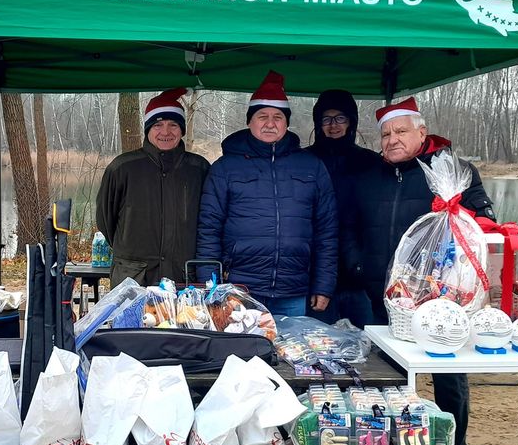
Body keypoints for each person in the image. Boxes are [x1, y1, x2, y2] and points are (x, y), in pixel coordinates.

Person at [340, 96, 495, 445]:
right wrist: (359, 266)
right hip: (387, 296)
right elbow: (349, 227)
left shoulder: (453, 172)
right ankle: (390, 444)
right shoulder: (368, 178)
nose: (392, 139)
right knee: (387, 374)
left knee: (449, 379)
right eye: (386, 134)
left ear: (421, 132)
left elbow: (480, 225)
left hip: (442, 298)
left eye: (401, 131)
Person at [196, 71, 337, 317]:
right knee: (239, 355)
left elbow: (327, 230)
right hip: (238, 290)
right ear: (250, 121)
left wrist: (323, 285)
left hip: (293, 291)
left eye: (277, 117)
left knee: (291, 354)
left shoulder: (312, 167)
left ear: (286, 122)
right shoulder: (225, 168)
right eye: (262, 116)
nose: (270, 123)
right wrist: (211, 287)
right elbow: (208, 230)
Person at [96, 87, 210, 286]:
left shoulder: (199, 169)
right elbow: (106, 221)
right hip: (134, 278)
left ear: (182, 130)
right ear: (148, 128)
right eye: (158, 125)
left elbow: (210, 220)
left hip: (183, 278)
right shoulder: (122, 168)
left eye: (173, 125)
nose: (165, 132)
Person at [306, 89, 381, 328]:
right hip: (315, 275)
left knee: (369, 348)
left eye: (340, 118)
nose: (333, 125)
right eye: (326, 119)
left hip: (360, 277)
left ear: (351, 122)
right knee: (318, 345)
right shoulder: (304, 161)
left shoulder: (371, 162)